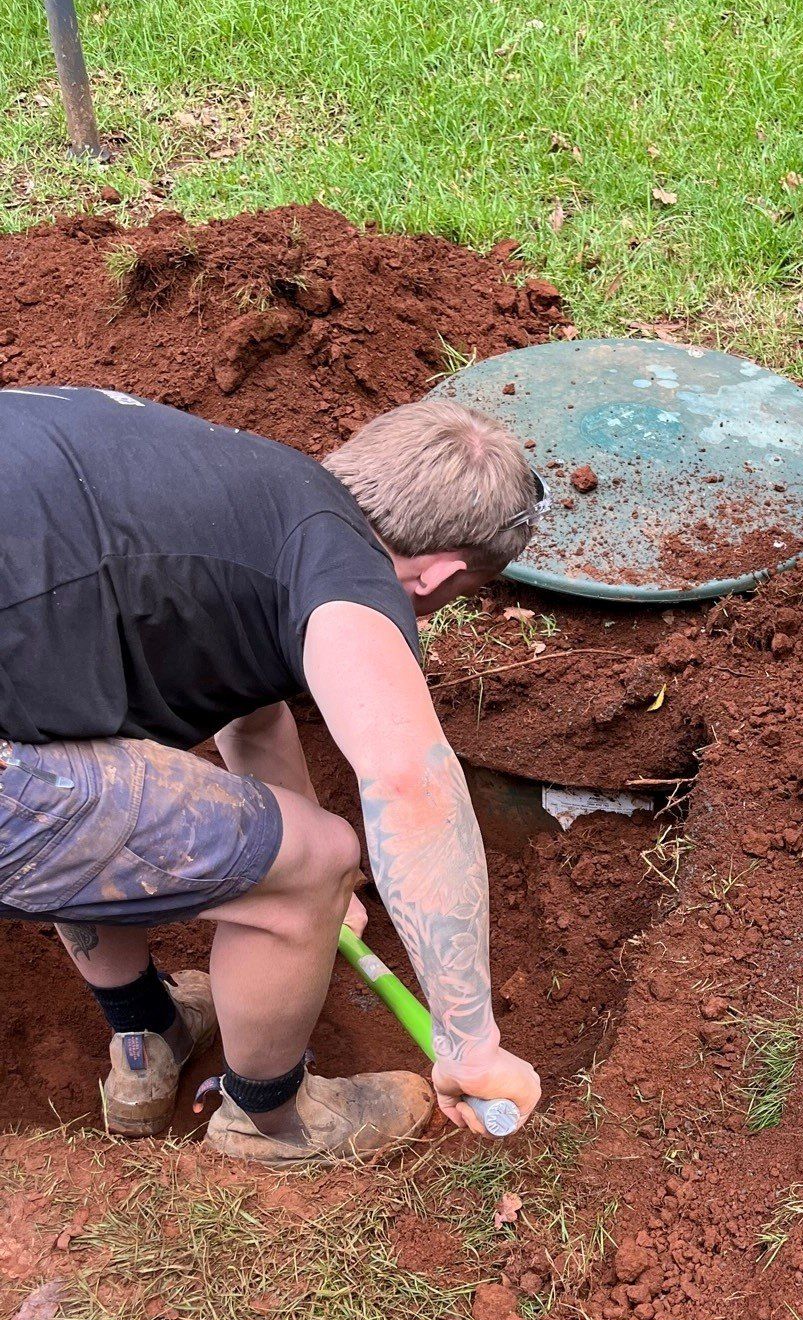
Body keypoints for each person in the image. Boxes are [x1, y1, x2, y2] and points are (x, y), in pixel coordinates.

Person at [0, 385, 544, 1162]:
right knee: (317, 857)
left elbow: (247, 712)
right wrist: (469, 1041)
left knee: (97, 736)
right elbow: (412, 787)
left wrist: (326, 902)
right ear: (439, 575)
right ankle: (270, 1119)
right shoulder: (350, 579)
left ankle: (145, 1037)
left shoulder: (245, 487)